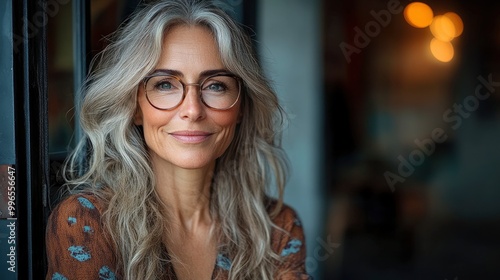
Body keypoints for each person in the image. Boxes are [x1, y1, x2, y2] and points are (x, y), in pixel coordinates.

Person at [45, 0, 310, 279]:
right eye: (165, 85)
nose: (193, 110)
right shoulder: (87, 222)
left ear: (241, 106)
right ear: (134, 108)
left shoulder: (277, 229)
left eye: (216, 85)